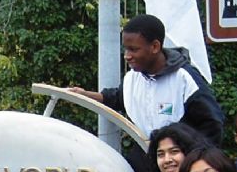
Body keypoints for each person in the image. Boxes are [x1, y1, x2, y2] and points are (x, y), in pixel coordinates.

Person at [71, 14, 223, 146]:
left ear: (155, 46)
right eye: (126, 49)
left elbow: (212, 123)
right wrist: (85, 95)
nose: (127, 56)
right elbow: (119, 97)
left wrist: (192, 162)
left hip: (181, 165)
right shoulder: (132, 77)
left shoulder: (184, 78)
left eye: (134, 49)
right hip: (146, 158)